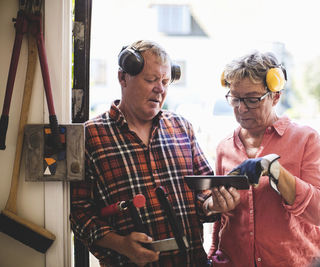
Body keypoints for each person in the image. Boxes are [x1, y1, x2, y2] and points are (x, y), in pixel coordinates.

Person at [70, 40, 240, 267]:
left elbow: (204, 193)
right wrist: (121, 244)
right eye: (151, 80)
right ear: (123, 78)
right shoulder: (90, 136)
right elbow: (79, 213)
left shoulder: (182, 127)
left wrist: (214, 205)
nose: (160, 89)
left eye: (165, 81)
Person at [208, 50, 320, 267]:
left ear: (275, 96)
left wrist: (275, 171)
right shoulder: (224, 147)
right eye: (235, 99)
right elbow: (221, 222)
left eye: (252, 100)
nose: (241, 108)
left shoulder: (306, 140)